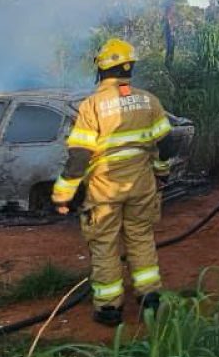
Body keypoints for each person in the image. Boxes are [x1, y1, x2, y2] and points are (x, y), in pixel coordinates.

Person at [51, 38, 173, 326]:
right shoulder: (148, 100)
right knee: (141, 238)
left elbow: (79, 157)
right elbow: (166, 143)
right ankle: (150, 299)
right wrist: (161, 171)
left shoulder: (92, 106)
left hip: (104, 190)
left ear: (102, 70)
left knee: (105, 245)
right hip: (141, 185)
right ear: (129, 69)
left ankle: (109, 309)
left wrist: (62, 195)